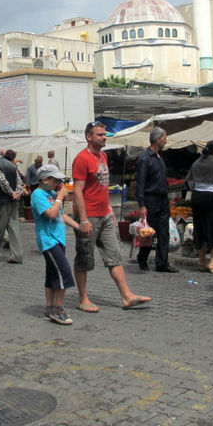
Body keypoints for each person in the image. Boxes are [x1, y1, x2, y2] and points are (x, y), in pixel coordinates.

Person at [71, 121, 151, 312]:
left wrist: (108, 209)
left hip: (104, 216)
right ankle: (83, 299)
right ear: (89, 137)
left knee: (114, 256)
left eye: (105, 134)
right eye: (100, 134)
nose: (104, 137)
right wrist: (83, 220)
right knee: (84, 259)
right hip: (88, 217)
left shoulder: (103, 156)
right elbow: (78, 191)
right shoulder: (82, 159)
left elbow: (101, 187)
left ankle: (126, 296)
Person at [32, 164, 80, 325]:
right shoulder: (38, 195)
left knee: (52, 274)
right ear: (45, 179)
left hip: (59, 239)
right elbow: (51, 214)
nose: (58, 183)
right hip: (48, 240)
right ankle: (58, 309)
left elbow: (61, 214)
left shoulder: (51, 193)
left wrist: (78, 226)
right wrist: (59, 197)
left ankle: (49, 307)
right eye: (55, 179)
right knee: (64, 273)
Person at [135, 127, 176, 273]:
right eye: (164, 138)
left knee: (164, 232)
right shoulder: (145, 158)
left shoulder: (159, 158)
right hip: (150, 199)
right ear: (157, 139)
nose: (165, 141)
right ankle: (142, 258)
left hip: (162, 199)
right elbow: (140, 183)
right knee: (149, 233)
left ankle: (162, 262)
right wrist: (142, 205)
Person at [186, 140, 213, 273]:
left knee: (201, 226)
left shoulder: (197, 162)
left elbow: (189, 180)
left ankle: (202, 258)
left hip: (197, 197)